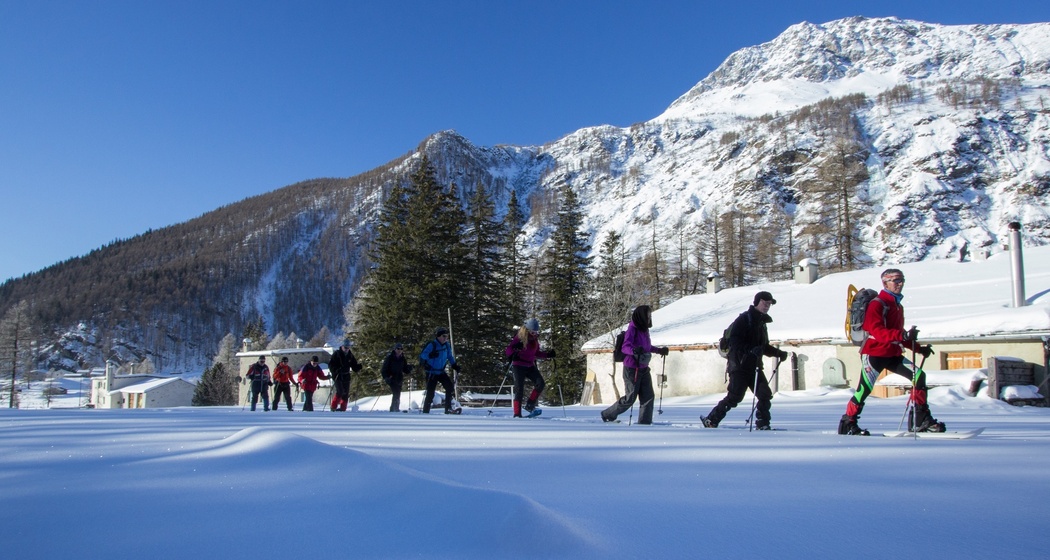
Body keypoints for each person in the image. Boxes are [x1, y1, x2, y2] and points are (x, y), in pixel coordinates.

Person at [838, 269, 942, 435]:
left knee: (919, 376)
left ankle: (921, 420)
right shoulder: (877, 304)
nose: (900, 284)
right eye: (895, 280)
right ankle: (848, 423)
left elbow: (899, 333)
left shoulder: (897, 305)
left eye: (902, 280)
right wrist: (903, 336)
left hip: (892, 353)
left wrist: (918, 348)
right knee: (864, 389)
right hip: (874, 353)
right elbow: (878, 331)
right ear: (885, 283)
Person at [701, 291, 788, 430]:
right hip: (739, 366)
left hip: (754, 367)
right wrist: (751, 350)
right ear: (757, 302)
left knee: (765, 395)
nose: (767, 306)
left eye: (769, 304)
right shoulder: (744, 319)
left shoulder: (762, 323)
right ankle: (711, 420)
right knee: (735, 397)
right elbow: (735, 342)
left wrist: (778, 353)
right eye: (764, 302)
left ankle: (763, 424)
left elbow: (763, 347)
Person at [601, 305, 668, 425]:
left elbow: (646, 347)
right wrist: (634, 350)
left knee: (648, 396)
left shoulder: (645, 330)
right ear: (641, 316)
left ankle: (645, 423)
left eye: (650, 316)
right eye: (648, 316)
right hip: (632, 368)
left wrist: (659, 350)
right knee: (630, 398)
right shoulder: (632, 329)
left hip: (644, 368)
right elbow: (625, 347)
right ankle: (607, 414)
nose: (649, 318)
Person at [504, 318, 555, 418]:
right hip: (518, 365)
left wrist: (548, 355)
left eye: (536, 331)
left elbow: (536, 353)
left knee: (540, 383)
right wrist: (513, 353)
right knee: (519, 389)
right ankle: (517, 414)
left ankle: (530, 405)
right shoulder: (519, 337)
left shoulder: (535, 339)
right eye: (532, 331)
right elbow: (509, 349)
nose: (534, 333)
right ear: (527, 330)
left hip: (529, 365)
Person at [418, 327, 461, 414]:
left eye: (447, 336)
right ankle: (425, 411)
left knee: (449, 388)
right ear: (438, 336)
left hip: (441, 372)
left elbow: (449, 356)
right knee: (430, 393)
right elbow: (422, 355)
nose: (446, 338)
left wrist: (454, 365)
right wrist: (430, 355)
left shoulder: (446, 345)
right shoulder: (432, 345)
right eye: (444, 336)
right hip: (431, 372)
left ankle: (448, 408)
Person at [328, 339, 362, 411]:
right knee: (340, 391)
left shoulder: (350, 355)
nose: (347, 349)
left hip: (346, 375)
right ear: (342, 346)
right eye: (346, 347)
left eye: (348, 347)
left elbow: (354, 365)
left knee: (346, 393)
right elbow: (331, 365)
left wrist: (358, 367)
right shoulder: (337, 354)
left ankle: (343, 408)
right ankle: (333, 407)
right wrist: (336, 370)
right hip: (337, 375)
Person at [381, 343, 412, 412]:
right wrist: (386, 377)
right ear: (395, 349)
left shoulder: (402, 358)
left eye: (401, 349)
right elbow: (384, 369)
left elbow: (404, 369)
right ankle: (394, 408)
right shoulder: (390, 358)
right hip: (391, 377)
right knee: (396, 392)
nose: (399, 350)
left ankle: (394, 408)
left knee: (398, 392)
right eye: (398, 348)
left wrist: (409, 369)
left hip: (399, 378)